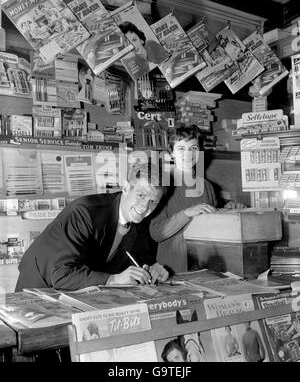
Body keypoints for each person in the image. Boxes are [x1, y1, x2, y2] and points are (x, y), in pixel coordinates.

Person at [15, 163, 169, 292]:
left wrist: (152, 269)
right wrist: (113, 279)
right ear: (126, 188)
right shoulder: (85, 211)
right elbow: (61, 274)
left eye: (153, 201)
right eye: (141, 195)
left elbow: (138, 259)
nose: (145, 207)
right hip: (40, 283)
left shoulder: (140, 220)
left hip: (81, 287)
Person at [150, 124, 244, 273]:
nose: (188, 154)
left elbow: (211, 223)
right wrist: (187, 213)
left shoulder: (207, 186)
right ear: (171, 153)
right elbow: (156, 233)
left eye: (193, 148)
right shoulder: (162, 186)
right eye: (181, 148)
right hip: (173, 269)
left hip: (206, 267)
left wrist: (226, 211)